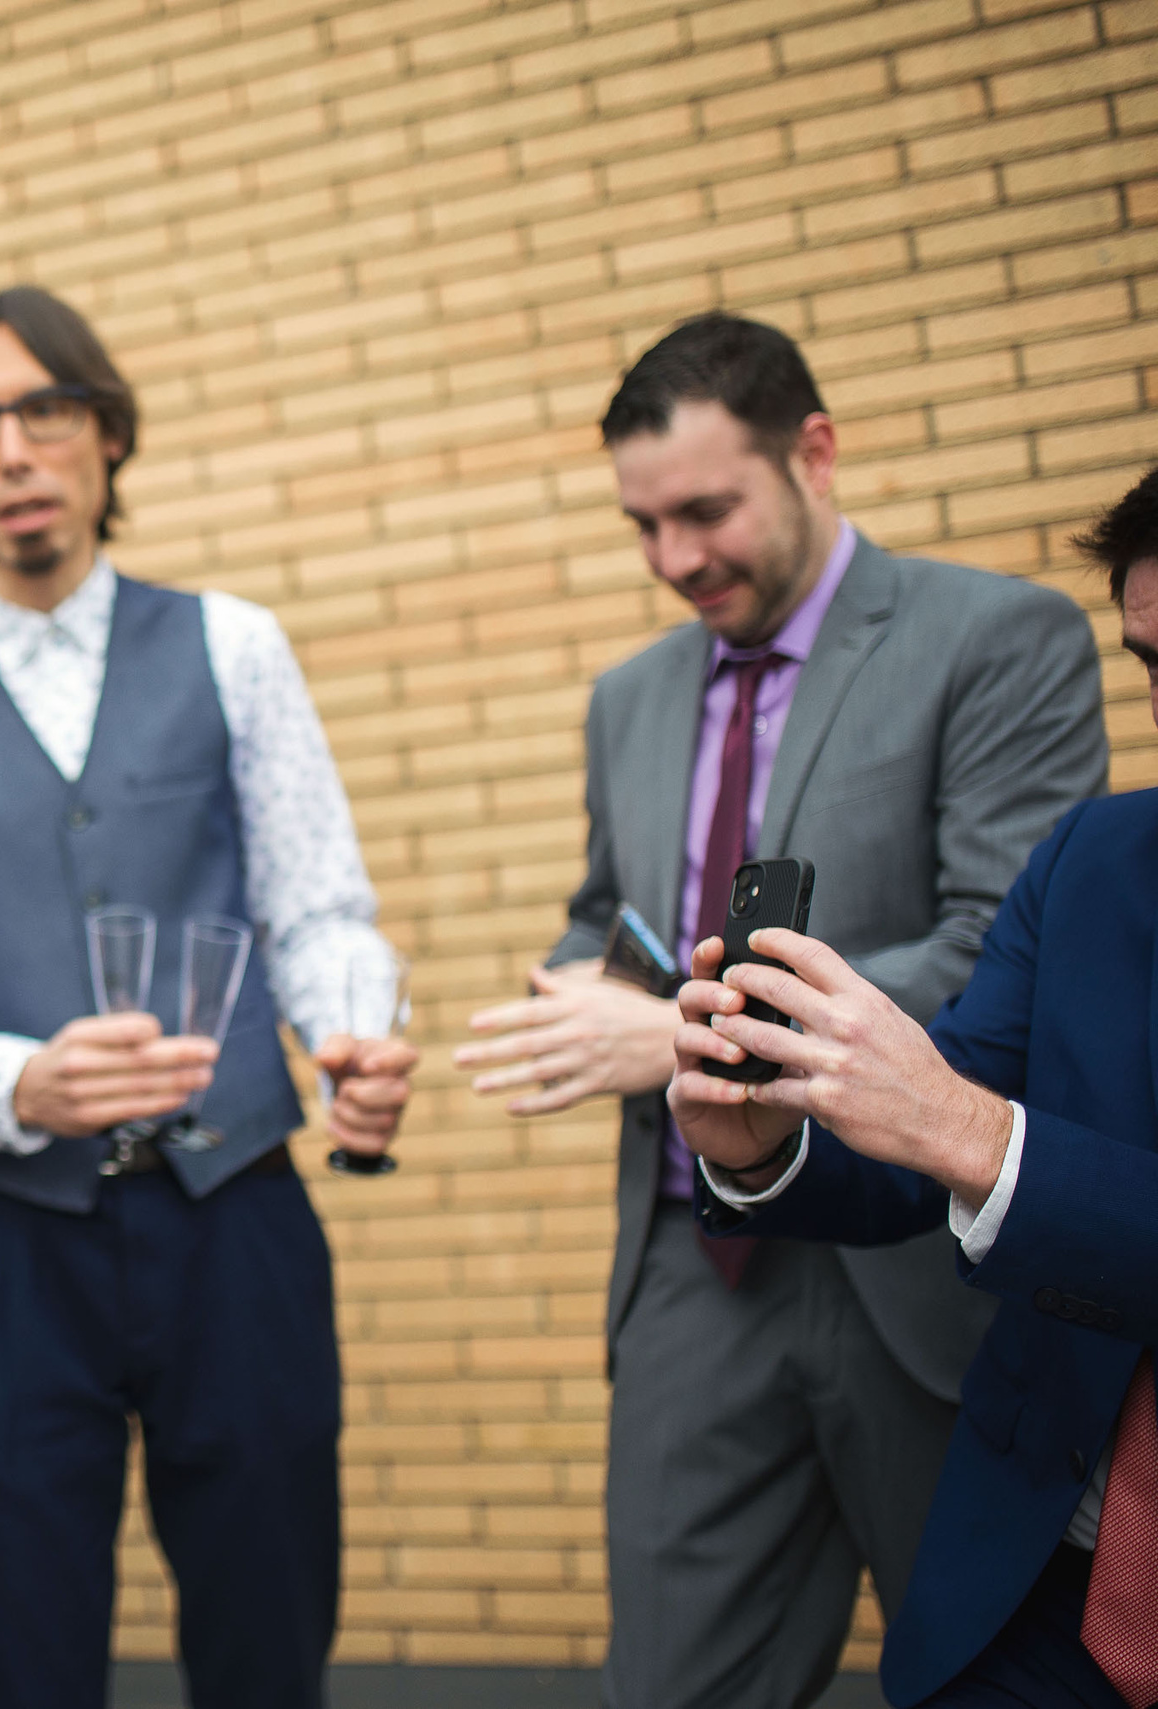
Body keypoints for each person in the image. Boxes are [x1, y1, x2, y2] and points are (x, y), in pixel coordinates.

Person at [452, 314, 1108, 1708]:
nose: (673, 557)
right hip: (693, 1265)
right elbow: (607, 907)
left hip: (927, 1271)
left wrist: (685, 1033)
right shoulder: (627, 699)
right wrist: (577, 983)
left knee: (984, 1675)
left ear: (814, 453)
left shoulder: (999, 638)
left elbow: (1001, 949)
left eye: (705, 511)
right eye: (642, 525)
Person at [0, 285, 415, 1709]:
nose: (13, 450)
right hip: (1, 1248)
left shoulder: (234, 645)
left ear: (107, 434)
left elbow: (318, 908)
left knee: (268, 1643)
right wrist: (13, 1081)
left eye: (46, 410)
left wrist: (351, 1031)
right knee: (17, 1653)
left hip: (235, 1217)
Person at [669, 465, 1158, 1708]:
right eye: (1155, 667)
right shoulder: (1092, 859)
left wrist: (982, 1138)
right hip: (1036, 1593)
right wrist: (758, 1146)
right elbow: (937, 1118)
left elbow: (967, 1127)